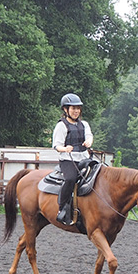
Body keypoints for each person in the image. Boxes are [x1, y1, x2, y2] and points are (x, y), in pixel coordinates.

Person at [52, 93, 93, 225]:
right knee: (70, 179)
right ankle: (62, 207)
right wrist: (65, 148)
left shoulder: (84, 124)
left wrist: (89, 142)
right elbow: (57, 145)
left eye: (78, 108)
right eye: (73, 108)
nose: (76, 111)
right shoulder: (61, 126)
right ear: (65, 109)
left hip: (84, 158)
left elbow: (89, 136)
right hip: (68, 160)